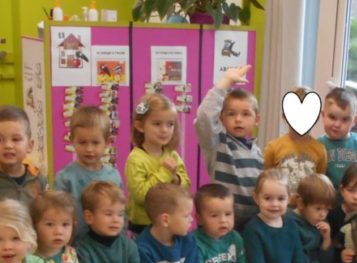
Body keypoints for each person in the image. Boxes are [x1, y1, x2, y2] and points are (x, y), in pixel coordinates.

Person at [196, 64, 262, 229]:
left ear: (256, 120)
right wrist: (225, 83)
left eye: (245, 114)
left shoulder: (259, 153)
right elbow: (205, 116)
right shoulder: (218, 143)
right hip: (222, 223)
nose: (238, 119)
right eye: (231, 114)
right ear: (222, 118)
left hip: (251, 224)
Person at [0, 105, 48, 231]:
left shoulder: (39, 181)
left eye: (16, 139)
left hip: (30, 249)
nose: (8, 145)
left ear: (29, 145)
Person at [54, 105, 122, 238]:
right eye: (82, 142)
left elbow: (121, 212)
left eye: (95, 143)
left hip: (107, 244)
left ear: (107, 142)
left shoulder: (113, 176)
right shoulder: (65, 178)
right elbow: (57, 215)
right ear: (72, 141)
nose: (89, 149)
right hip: (75, 245)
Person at [125, 93, 190, 232]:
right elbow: (142, 196)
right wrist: (165, 173)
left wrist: (176, 179)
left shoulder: (172, 155)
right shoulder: (136, 159)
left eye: (170, 124)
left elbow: (185, 186)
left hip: (170, 223)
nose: (164, 130)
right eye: (157, 124)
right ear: (140, 126)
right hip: (144, 226)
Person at [243, 169, 309, 263]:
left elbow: (298, 258)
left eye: (281, 198)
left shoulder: (291, 223)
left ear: (289, 198)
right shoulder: (253, 229)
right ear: (256, 198)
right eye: (267, 198)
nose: (274, 204)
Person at [318, 87, 357, 200]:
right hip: (328, 210)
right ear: (323, 115)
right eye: (332, 117)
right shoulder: (317, 146)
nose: (337, 124)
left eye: (345, 119)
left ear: (355, 120)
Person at [262, 86, 328, 196]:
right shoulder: (273, 147)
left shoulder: (320, 150)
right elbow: (266, 182)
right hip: (281, 207)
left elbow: (319, 185)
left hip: (308, 208)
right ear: (285, 116)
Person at [288, 173, 337, 263]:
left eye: (327, 210)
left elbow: (326, 261)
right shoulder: (289, 224)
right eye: (318, 208)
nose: (323, 215)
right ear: (300, 203)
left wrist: (326, 240)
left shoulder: (318, 222)